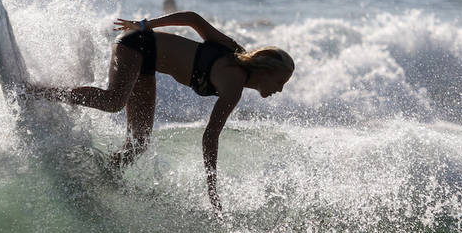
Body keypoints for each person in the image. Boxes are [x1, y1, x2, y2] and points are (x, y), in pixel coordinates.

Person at [26, 11, 294, 212]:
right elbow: (192, 18)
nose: (279, 90)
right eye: (280, 82)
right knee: (114, 101)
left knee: (139, 143)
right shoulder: (233, 74)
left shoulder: (236, 76)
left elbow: (192, 19)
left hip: (148, 63)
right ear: (267, 71)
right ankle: (37, 92)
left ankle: (103, 176)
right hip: (138, 43)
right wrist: (212, 189)